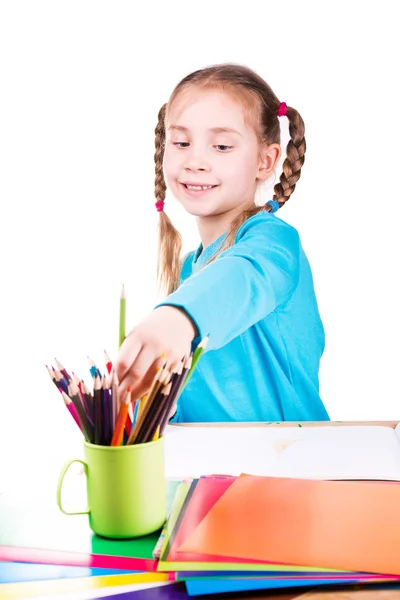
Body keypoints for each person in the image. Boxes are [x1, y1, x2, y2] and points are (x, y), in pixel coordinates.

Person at [115, 63, 330, 422]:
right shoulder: (189, 270)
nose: (195, 161)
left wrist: (178, 318)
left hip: (291, 463)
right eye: (181, 142)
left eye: (221, 146)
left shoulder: (273, 243)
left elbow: (241, 280)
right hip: (213, 468)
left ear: (266, 161)